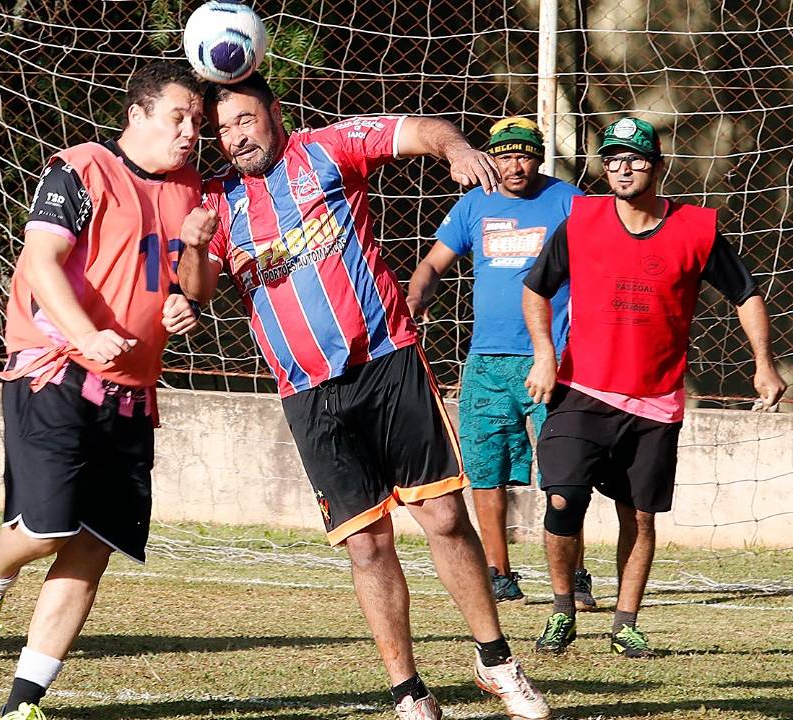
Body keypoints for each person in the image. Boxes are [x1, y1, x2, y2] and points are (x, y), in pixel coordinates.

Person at [178, 73, 550, 720]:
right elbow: (198, 289)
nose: (234, 137)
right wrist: (190, 241)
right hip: (308, 393)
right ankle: (409, 693)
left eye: (244, 120)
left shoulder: (328, 148)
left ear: (275, 112)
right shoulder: (217, 201)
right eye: (223, 129)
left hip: (386, 364)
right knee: (367, 544)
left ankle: (495, 660)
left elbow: (418, 130)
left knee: (441, 518)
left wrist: (456, 150)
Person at [0, 61, 204, 720]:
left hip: (133, 391)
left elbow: (190, 285)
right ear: (138, 114)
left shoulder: (189, 191)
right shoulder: (82, 168)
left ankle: (23, 702)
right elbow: (39, 263)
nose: (189, 132)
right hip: (55, 368)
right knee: (47, 526)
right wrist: (86, 334)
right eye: (178, 117)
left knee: (94, 543)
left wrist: (186, 303)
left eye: (197, 121)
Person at [523, 117, 786, 658]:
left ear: (657, 166)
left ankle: (625, 622)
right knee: (562, 496)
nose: (623, 168)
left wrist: (764, 363)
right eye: (613, 159)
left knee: (638, 515)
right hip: (582, 389)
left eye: (635, 159)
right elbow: (536, 290)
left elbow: (746, 293)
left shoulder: (697, 229)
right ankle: (561, 610)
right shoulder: (581, 219)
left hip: (656, 401)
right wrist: (546, 355)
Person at [407, 116, 596, 607]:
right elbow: (432, 264)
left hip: (551, 359)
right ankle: (499, 573)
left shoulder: (569, 202)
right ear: (490, 158)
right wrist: (416, 297)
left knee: (564, 471)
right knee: (486, 470)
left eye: (525, 154)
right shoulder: (473, 206)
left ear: (538, 157)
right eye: (505, 155)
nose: (516, 165)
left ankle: (574, 576)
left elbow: (604, 262)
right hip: (487, 362)